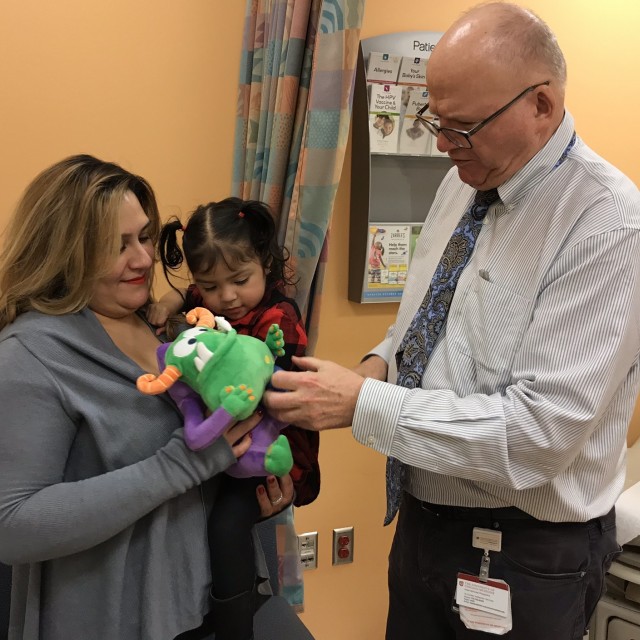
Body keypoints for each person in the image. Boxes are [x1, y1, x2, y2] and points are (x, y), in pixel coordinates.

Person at [263, 3, 640, 639]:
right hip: (424, 524)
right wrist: (375, 367)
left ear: (541, 105)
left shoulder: (608, 227)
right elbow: (421, 327)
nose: (442, 144)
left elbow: (537, 436)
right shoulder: (464, 182)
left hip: (529, 553)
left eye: (462, 126)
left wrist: (363, 403)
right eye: (435, 120)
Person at [0, 154, 293, 640]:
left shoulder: (168, 329)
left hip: (216, 605)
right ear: (64, 251)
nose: (142, 259)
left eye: (143, 236)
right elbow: (14, 525)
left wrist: (253, 485)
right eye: (116, 246)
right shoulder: (30, 356)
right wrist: (184, 464)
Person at [147, 198, 320, 637]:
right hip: (229, 446)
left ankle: (236, 628)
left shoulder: (278, 316)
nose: (226, 297)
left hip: (275, 450)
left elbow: (277, 393)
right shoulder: (208, 301)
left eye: (240, 280)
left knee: (227, 526)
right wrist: (167, 302)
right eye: (209, 285)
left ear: (265, 263)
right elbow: (184, 297)